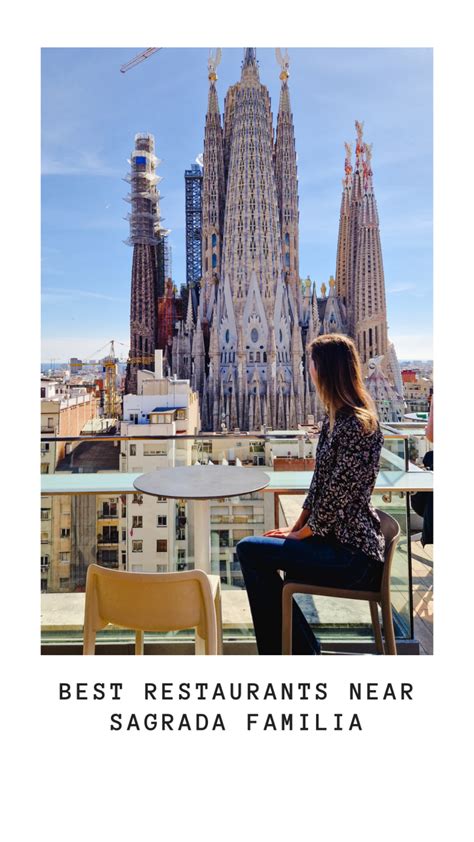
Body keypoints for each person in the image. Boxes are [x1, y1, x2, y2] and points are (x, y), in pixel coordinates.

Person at [236, 333, 385, 655]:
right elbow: (319, 487)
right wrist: (296, 528)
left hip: (354, 555)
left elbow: (340, 492)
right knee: (259, 552)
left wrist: (307, 531)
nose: (309, 370)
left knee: (249, 550)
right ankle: (298, 651)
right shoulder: (334, 421)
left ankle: (291, 653)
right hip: (335, 543)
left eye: (313, 363)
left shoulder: (359, 424)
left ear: (328, 369)